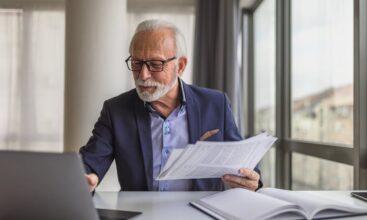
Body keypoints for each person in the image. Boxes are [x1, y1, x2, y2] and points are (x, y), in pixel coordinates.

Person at [80, 19, 262, 192]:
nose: (143, 75)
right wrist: (82, 178)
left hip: (201, 212)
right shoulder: (116, 110)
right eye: (137, 63)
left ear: (180, 66)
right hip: (141, 213)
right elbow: (89, 162)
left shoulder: (215, 104)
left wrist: (252, 179)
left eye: (155, 64)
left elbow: (241, 158)